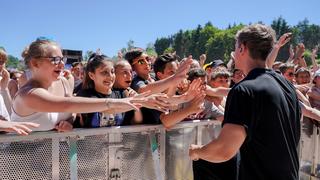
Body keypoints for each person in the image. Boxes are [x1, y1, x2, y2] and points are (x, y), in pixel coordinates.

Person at [189, 24, 301, 180]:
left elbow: (224, 150)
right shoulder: (287, 86)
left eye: (236, 47)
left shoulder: (244, 90)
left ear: (242, 48)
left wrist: (197, 151)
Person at [10, 39, 166, 132]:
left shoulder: (64, 82)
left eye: (62, 59)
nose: (61, 64)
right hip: (24, 162)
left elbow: (72, 112)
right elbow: (67, 105)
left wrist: (69, 123)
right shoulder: (28, 94)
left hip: (55, 159)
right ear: (35, 63)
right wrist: (134, 101)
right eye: (54, 59)